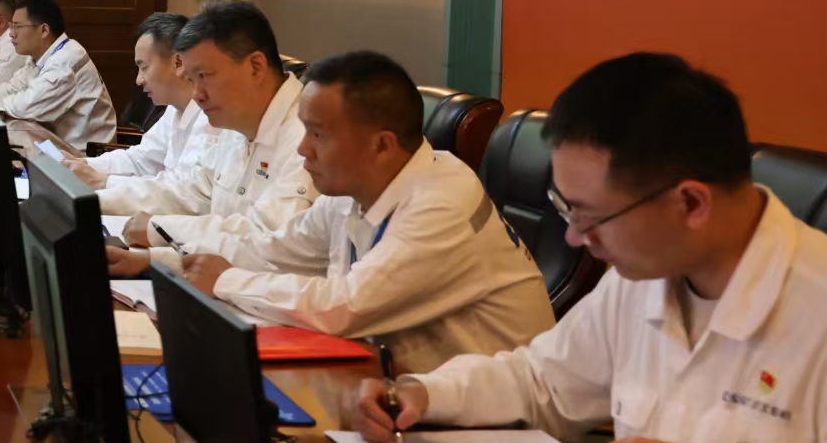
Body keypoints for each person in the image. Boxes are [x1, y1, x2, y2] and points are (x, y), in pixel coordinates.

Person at [355, 54, 827, 443]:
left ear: (691, 203)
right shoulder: (647, 277)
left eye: (590, 216)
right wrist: (424, 394)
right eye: (566, 209)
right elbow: (543, 382)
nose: (574, 238)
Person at [175, 51, 552, 373]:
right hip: (399, 387)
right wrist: (171, 262)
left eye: (318, 134)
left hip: (493, 417)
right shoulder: (354, 189)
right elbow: (274, 248)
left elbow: (343, 308)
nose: (303, 149)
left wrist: (225, 280)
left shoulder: (443, 202)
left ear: (382, 146)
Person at [112, 0, 317, 275]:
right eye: (192, 80)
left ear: (255, 66)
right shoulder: (235, 123)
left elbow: (270, 246)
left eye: (204, 76)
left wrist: (159, 230)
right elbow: (192, 194)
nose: (197, 94)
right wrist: (155, 258)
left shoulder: (310, 136)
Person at [65, 11, 218, 210]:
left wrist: (103, 181)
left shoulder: (213, 117)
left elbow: (186, 196)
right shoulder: (174, 109)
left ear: (178, 62)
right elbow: (142, 159)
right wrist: (83, 165)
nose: (139, 80)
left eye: (144, 67)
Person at [0, 0, 117, 148]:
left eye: (18, 27)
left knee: (8, 131)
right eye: (11, 26)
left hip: (86, 154)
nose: (11, 34)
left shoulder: (66, 61)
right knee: (4, 130)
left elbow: (26, 107)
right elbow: (10, 90)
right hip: (59, 144)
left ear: (44, 30)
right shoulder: (40, 56)